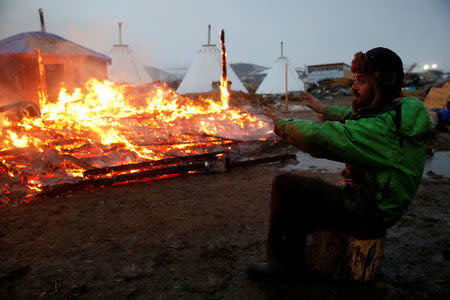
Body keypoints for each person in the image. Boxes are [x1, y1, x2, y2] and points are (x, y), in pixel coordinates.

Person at [247, 47, 433, 281]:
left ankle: (284, 267)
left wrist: (282, 124)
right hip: (373, 200)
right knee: (318, 189)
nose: (353, 87)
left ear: (381, 85)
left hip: (371, 213)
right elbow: (357, 117)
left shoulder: (386, 130)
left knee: (287, 186)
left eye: (362, 81)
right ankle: (300, 242)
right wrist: (324, 109)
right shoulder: (397, 113)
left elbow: (322, 138)